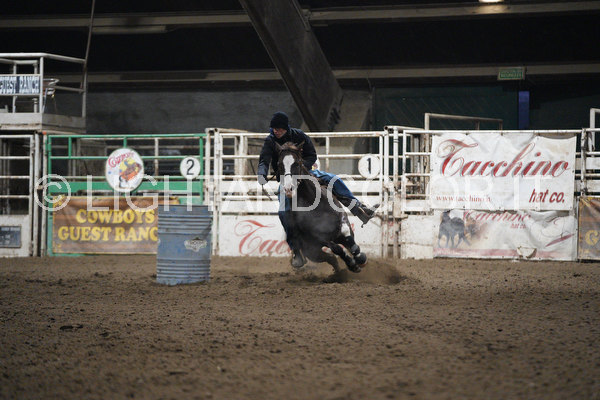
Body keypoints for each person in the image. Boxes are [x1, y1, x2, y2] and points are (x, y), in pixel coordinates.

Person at [257, 111, 378, 267]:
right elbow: (264, 160)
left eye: (279, 129)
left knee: (334, 180)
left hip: (304, 172)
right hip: (285, 179)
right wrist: (261, 174)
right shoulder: (270, 141)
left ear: (286, 128)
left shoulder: (299, 136)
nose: (276, 131)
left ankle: (359, 209)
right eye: (274, 128)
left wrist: (302, 169)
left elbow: (311, 155)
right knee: (283, 212)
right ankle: (296, 250)